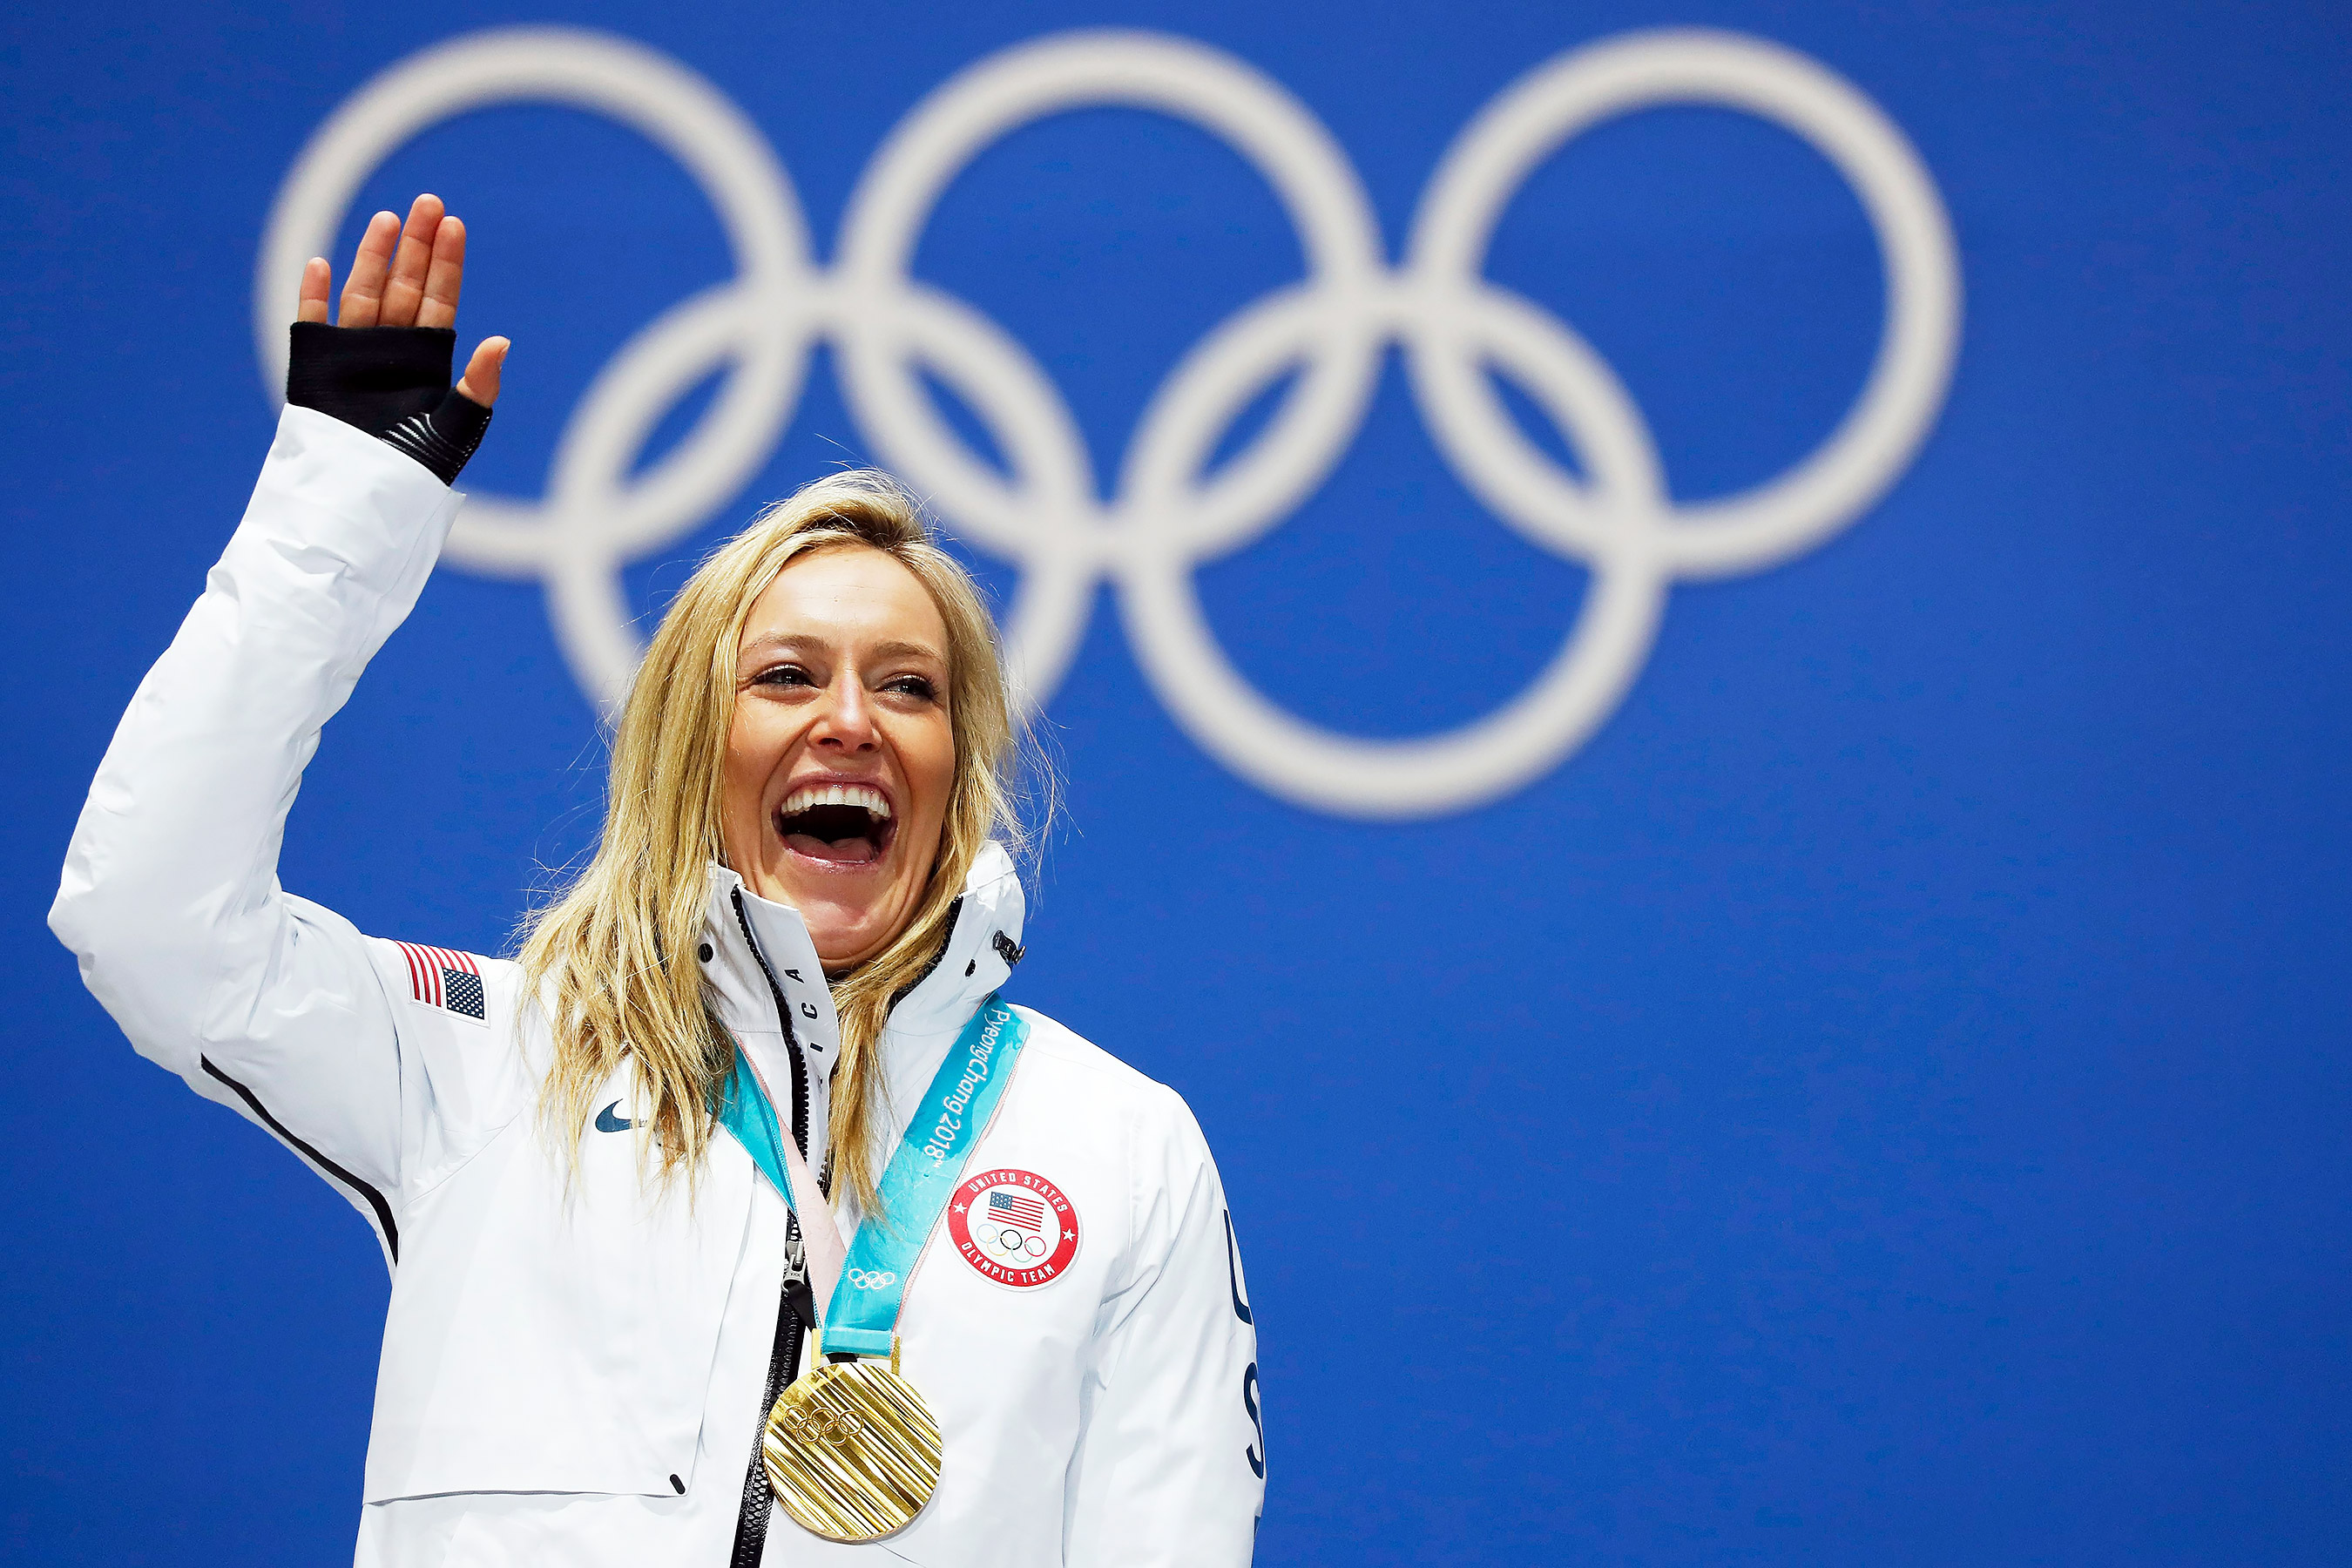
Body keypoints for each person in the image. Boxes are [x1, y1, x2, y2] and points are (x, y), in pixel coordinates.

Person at [51, 194, 1265, 1566]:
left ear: (959, 763)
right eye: (787, 675)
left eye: (908, 688)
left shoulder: (1119, 1144)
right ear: (695, 745)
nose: (850, 720)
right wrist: (338, 512)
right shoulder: (494, 1066)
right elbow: (147, 918)